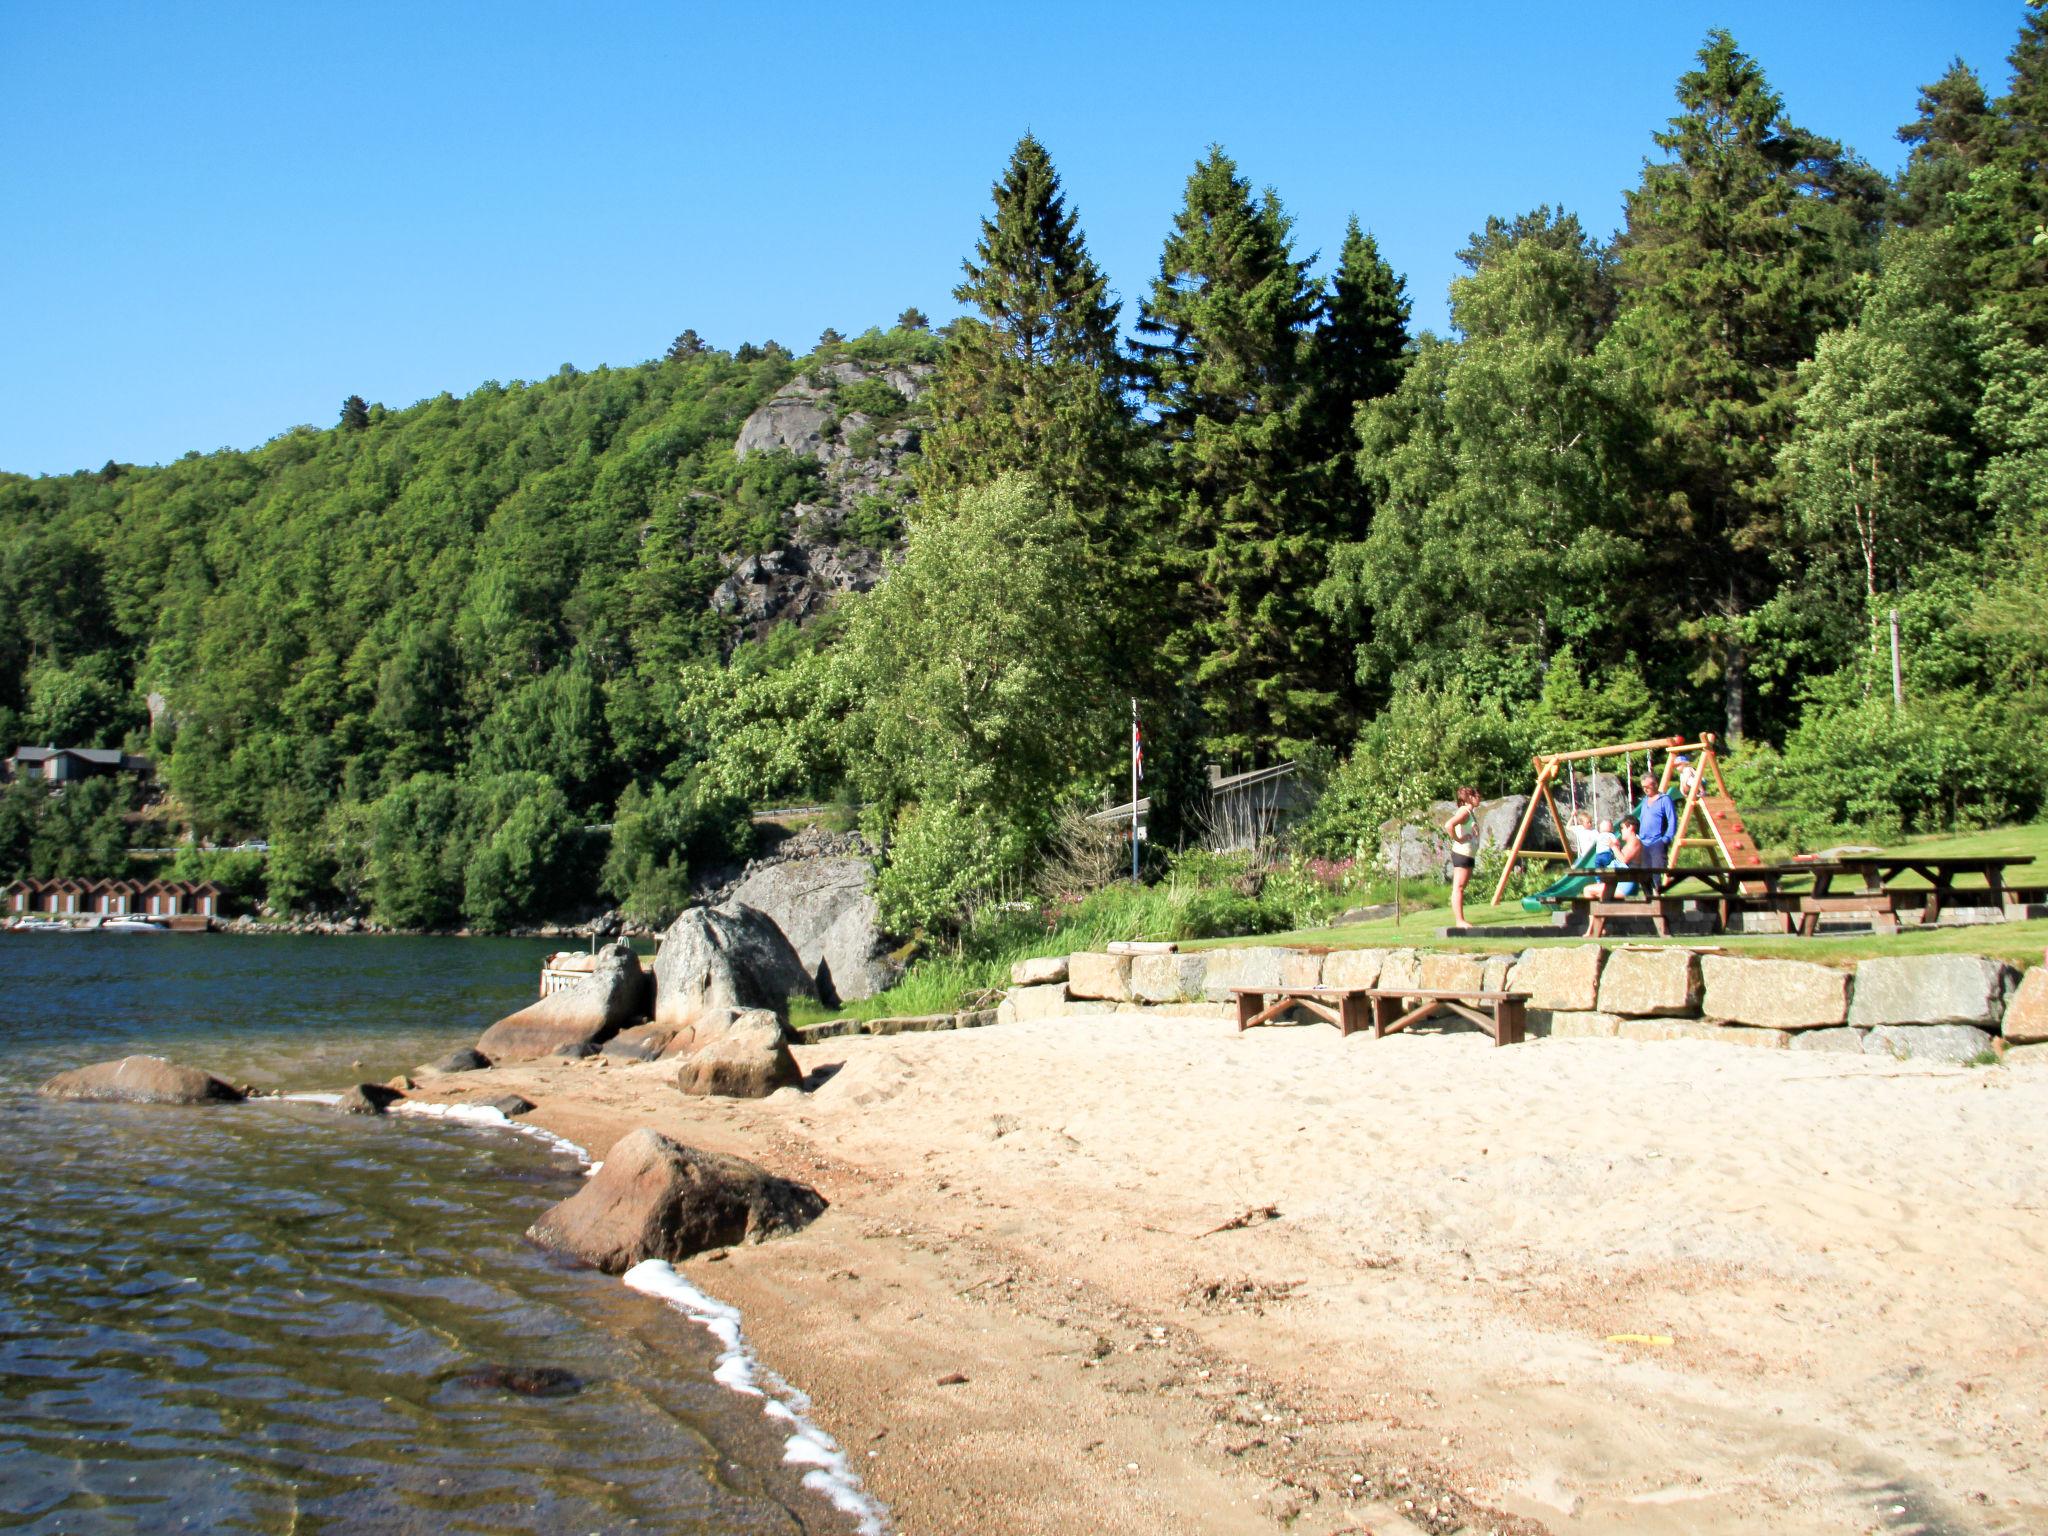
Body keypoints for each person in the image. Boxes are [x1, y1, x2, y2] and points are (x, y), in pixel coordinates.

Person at [1444, 786, 1482, 928]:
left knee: (1461, 887)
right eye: (1477, 795)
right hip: (1462, 853)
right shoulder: (1464, 812)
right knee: (1458, 887)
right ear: (1470, 797)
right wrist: (1459, 839)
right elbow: (1449, 825)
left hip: (1468, 854)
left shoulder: (1470, 813)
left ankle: (1460, 918)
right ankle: (1459, 921)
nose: (1480, 797)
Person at [1636, 772, 1676, 891]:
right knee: (1643, 875)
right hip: (1643, 842)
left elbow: (1672, 820)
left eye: (1647, 786)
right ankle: (1649, 899)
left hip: (1658, 841)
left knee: (1656, 874)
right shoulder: (1644, 801)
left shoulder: (1664, 800)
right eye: (1643, 787)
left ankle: (1658, 899)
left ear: (1655, 784)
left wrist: (1666, 839)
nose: (1645, 789)